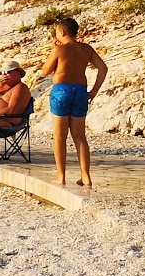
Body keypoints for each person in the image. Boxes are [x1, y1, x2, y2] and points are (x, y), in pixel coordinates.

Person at [40, 17, 108, 188]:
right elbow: (103, 68)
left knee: (60, 135)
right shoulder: (86, 49)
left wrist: (53, 49)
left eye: (56, 31)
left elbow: (45, 71)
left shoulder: (59, 49)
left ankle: (61, 176)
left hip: (61, 90)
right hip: (80, 91)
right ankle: (86, 177)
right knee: (79, 136)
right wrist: (94, 91)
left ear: (62, 32)